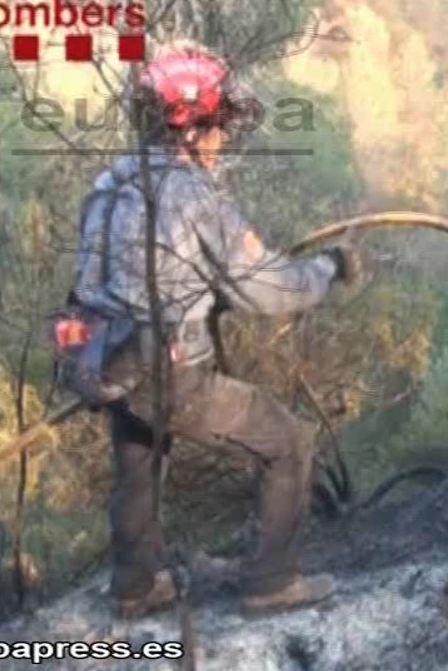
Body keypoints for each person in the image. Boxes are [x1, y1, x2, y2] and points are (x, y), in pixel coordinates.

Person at [68, 40, 357, 619]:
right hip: (172, 373)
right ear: (192, 127)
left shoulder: (110, 186)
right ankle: (272, 583)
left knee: (139, 460)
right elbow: (268, 287)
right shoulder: (191, 193)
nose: (223, 137)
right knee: (289, 442)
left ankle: (135, 585)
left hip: (107, 363)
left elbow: (119, 281)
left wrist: (201, 296)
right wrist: (328, 269)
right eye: (219, 124)